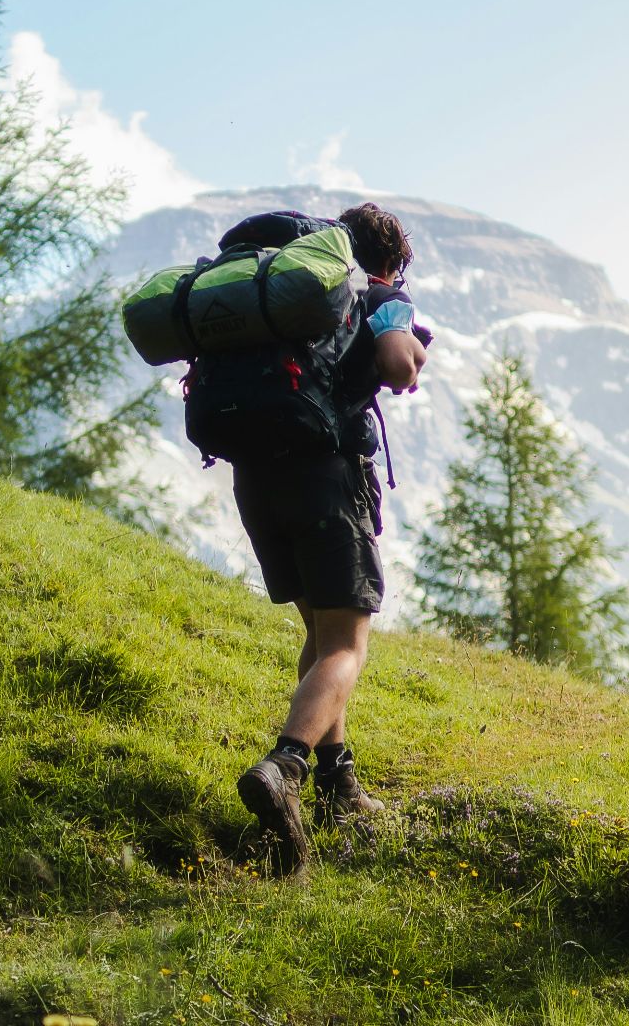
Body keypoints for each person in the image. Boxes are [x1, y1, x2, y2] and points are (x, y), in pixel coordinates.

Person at [233, 202, 430, 875]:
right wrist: (406, 346)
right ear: (390, 260)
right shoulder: (374, 293)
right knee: (348, 645)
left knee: (319, 636)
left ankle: (337, 781)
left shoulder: (278, 298)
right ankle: (285, 764)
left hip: (256, 484)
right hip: (325, 481)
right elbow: (401, 364)